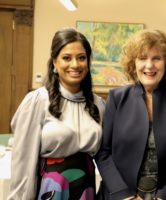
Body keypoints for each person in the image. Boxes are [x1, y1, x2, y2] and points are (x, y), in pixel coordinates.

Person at [95, 29, 166, 200]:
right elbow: (103, 152)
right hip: (121, 195)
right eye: (142, 58)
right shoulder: (117, 98)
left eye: (156, 58)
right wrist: (125, 195)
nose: (149, 65)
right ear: (133, 63)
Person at [8, 27, 105, 199]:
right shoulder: (37, 101)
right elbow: (23, 162)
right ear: (54, 62)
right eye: (66, 58)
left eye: (81, 58)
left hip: (86, 189)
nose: (75, 64)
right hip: (52, 188)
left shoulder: (99, 105)